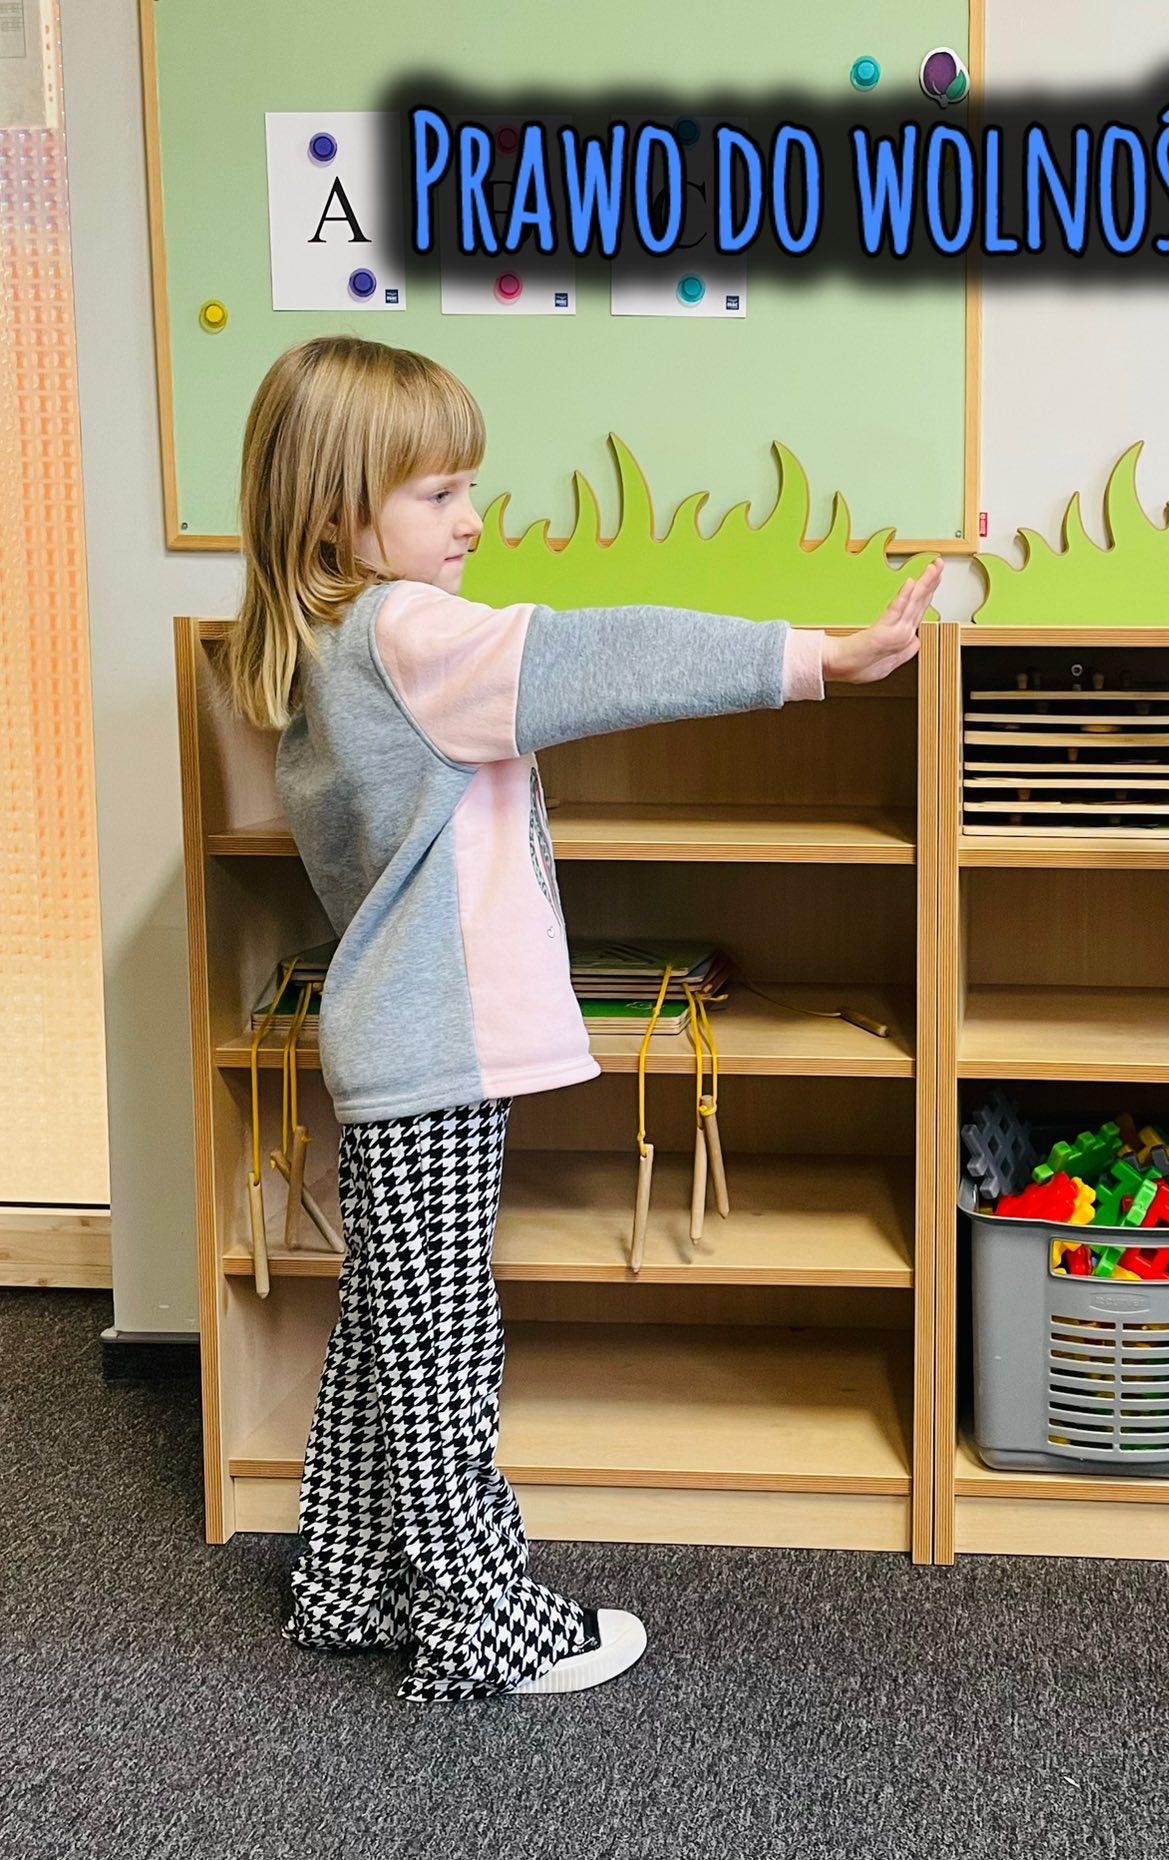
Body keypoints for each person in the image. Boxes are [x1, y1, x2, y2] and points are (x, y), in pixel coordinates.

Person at [222, 334, 933, 1701]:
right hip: (431, 1051)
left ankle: (349, 1585)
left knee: (391, 1331)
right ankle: (481, 1623)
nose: (471, 519)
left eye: (468, 488)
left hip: (399, 1044)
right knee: (444, 1358)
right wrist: (817, 656)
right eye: (437, 493)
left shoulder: (329, 644)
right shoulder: (408, 633)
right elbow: (598, 657)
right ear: (333, 512)